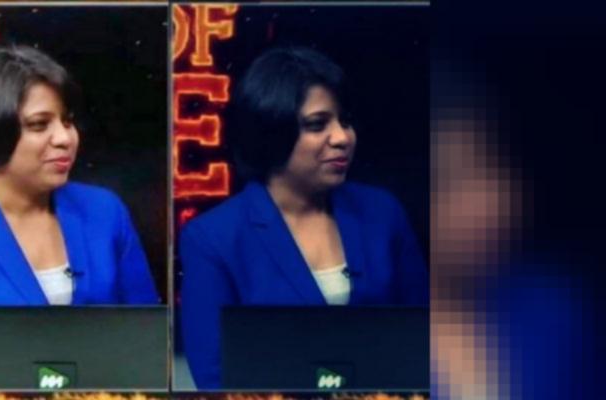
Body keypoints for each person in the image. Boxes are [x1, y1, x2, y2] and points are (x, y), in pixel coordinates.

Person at [0, 45, 160, 389]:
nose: (65, 138)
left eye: (67, 121)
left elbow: (148, 346)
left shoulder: (106, 213)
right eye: (40, 125)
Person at [179, 46, 429, 389]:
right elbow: (214, 375)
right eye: (317, 125)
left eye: (345, 121)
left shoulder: (383, 213)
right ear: (272, 132)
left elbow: (425, 339)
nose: (342, 138)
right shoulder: (213, 238)